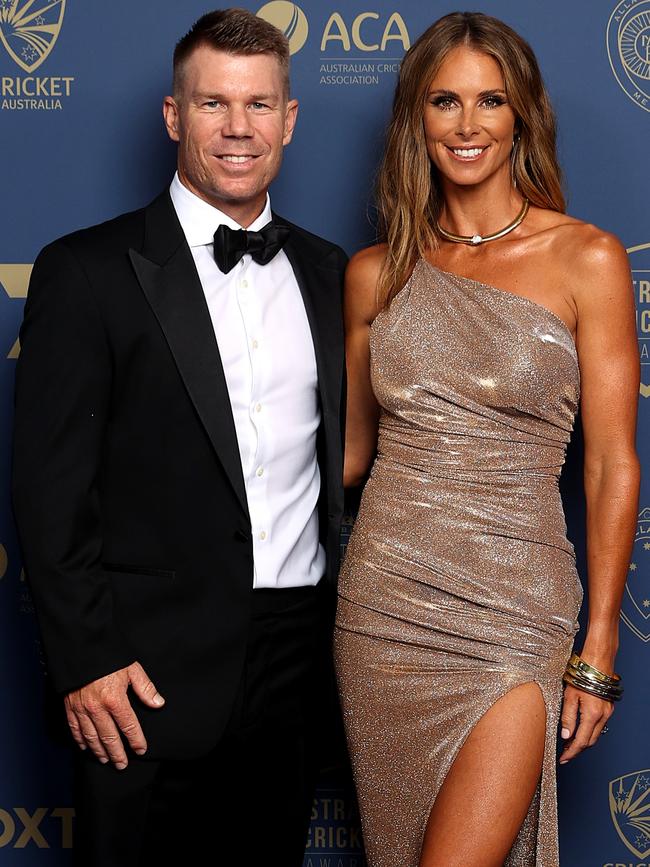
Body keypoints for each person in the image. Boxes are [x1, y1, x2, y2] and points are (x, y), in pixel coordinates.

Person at [12, 8, 346, 867]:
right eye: (213, 104)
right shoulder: (84, 271)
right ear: (174, 116)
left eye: (260, 105)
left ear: (291, 118)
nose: (239, 128)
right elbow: (52, 491)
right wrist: (87, 660)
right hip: (143, 677)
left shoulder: (332, 272)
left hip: (297, 664)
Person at [334, 11, 639, 867]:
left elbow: (614, 463)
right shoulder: (375, 272)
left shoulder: (587, 259)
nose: (467, 126)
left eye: (490, 101)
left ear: (521, 115)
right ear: (415, 120)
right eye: (444, 101)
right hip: (384, 607)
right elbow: (348, 458)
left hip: (516, 609)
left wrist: (600, 644)